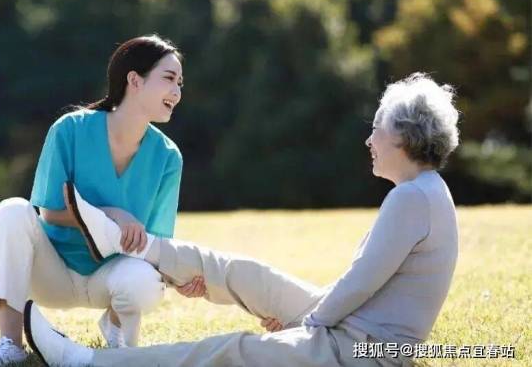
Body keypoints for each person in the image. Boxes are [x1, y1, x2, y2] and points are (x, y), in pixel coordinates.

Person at [23, 72, 460, 367]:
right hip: (354, 328)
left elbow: (360, 284)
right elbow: (362, 287)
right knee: (243, 273)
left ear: (402, 134)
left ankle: (86, 361)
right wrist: (307, 317)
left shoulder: (411, 199)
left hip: (362, 350)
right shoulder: (423, 192)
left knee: (232, 350)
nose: (369, 139)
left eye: (377, 128)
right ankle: (130, 242)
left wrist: (305, 326)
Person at [0, 35, 200, 367]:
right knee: (12, 210)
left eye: (180, 83)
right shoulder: (70, 129)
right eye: (169, 78)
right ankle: (10, 344)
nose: (177, 92)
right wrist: (114, 214)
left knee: (143, 281)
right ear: (134, 80)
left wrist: (184, 275)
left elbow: (156, 243)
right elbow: (50, 212)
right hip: (51, 271)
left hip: (110, 278)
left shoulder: (168, 157)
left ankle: (116, 329)